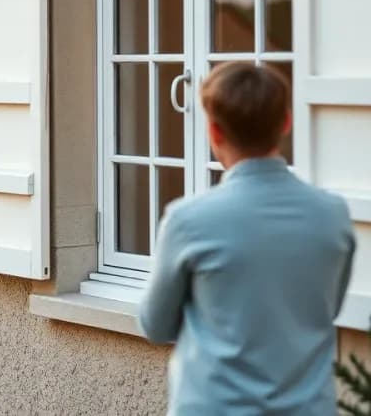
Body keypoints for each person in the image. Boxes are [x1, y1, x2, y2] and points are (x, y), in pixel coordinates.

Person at [138, 62, 356, 415]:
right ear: (286, 122)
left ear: (214, 131)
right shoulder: (333, 215)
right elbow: (328, 308)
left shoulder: (187, 221)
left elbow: (156, 325)